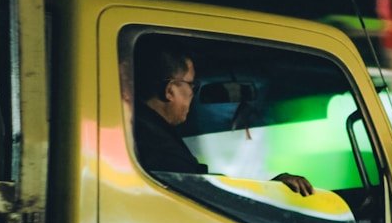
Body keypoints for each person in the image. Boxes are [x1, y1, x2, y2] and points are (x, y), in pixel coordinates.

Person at [133, 37, 314, 195]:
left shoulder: (142, 130)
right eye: (191, 84)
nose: (193, 94)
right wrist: (271, 190)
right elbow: (199, 193)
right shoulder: (156, 144)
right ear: (170, 90)